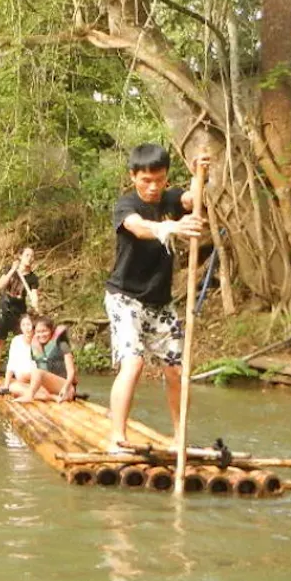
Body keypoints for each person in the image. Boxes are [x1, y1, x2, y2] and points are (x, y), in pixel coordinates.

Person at [105, 143, 207, 452]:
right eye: (145, 180)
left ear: (166, 177)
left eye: (159, 179)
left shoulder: (172, 198)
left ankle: (179, 436)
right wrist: (173, 227)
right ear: (133, 176)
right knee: (133, 363)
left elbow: (194, 199)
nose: (152, 187)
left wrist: (200, 174)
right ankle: (117, 436)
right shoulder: (126, 206)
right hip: (125, 298)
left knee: (176, 370)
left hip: (160, 303)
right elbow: (139, 228)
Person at [0, 247, 40, 387]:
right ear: (21, 256)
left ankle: (22, 374)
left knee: (24, 342)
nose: (30, 258)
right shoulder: (10, 269)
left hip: (20, 312)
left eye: (32, 256)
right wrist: (12, 270)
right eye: (27, 255)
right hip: (4, 309)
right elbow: (0, 285)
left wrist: (35, 301)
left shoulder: (33, 278)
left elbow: (34, 293)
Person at [15, 316, 79, 403]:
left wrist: (65, 388)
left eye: (44, 331)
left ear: (51, 331)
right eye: (38, 332)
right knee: (15, 385)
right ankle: (51, 397)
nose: (41, 335)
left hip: (66, 387)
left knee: (37, 372)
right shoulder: (36, 346)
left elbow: (71, 372)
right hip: (48, 389)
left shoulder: (63, 344)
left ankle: (30, 396)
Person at [0, 313, 36, 395]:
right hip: (22, 376)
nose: (26, 328)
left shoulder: (38, 339)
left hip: (37, 376)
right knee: (13, 387)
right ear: (20, 327)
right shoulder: (16, 341)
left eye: (28, 324)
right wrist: (6, 385)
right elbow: (11, 363)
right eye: (23, 325)